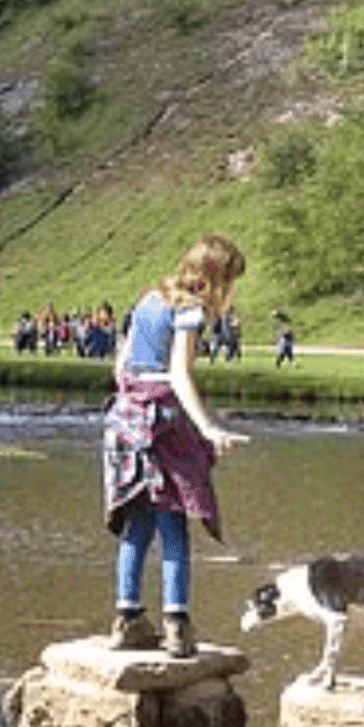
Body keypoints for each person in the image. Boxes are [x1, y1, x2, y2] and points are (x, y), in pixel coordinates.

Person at [101, 235, 250, 658]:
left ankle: (126, 620)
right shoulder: (189, 310)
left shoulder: (149, 298)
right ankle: (176, 626)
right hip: (165, 424)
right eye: (231, 281)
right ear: (214, 279)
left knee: (137, 525)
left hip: (127, 423)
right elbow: (180, 375)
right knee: (174, 524)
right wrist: (207, 428)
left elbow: (121, 366)